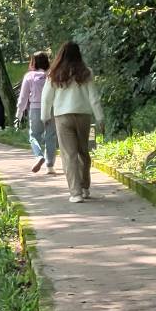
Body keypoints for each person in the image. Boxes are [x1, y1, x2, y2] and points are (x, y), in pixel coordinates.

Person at [45, 41, 105, 202]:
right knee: (83, 152)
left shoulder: (54, 73)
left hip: (62, 117)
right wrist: (100, 118)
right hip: (83, 116)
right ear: (78, 54)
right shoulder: (86, 72)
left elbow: (46, 98)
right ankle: (85, 186)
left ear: (61, 55)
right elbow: (94, 98)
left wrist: (45, 117)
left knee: (69, 154)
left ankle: (75, 193)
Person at [13, 51, 56, 175]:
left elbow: (23, 98)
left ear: (33, 62)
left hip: (36, 109)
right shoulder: (52, 75)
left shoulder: (29, 76)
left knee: (34, 136)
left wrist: (18, 115)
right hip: (51, 108)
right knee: (51, 136)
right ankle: (50, 165)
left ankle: (39, 156)